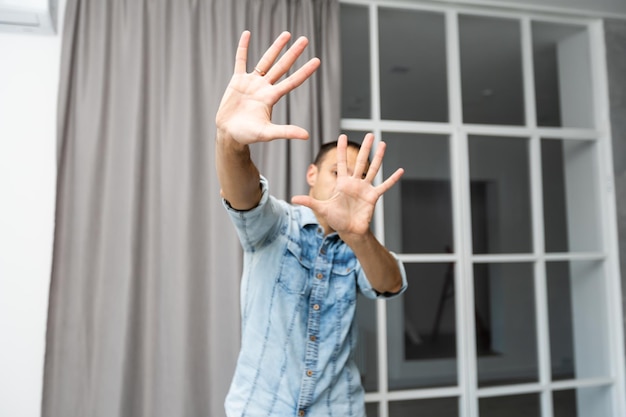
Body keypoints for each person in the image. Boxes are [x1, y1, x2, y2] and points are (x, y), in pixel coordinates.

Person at [216, 30, 407, 417]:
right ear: (311, 174)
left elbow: (391, 284)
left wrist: (359, 237)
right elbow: (243, 195)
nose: (347, 182)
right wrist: (230, 141)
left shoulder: (360, 244)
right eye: (337, 171)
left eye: (358, 176)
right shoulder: (276, 225)